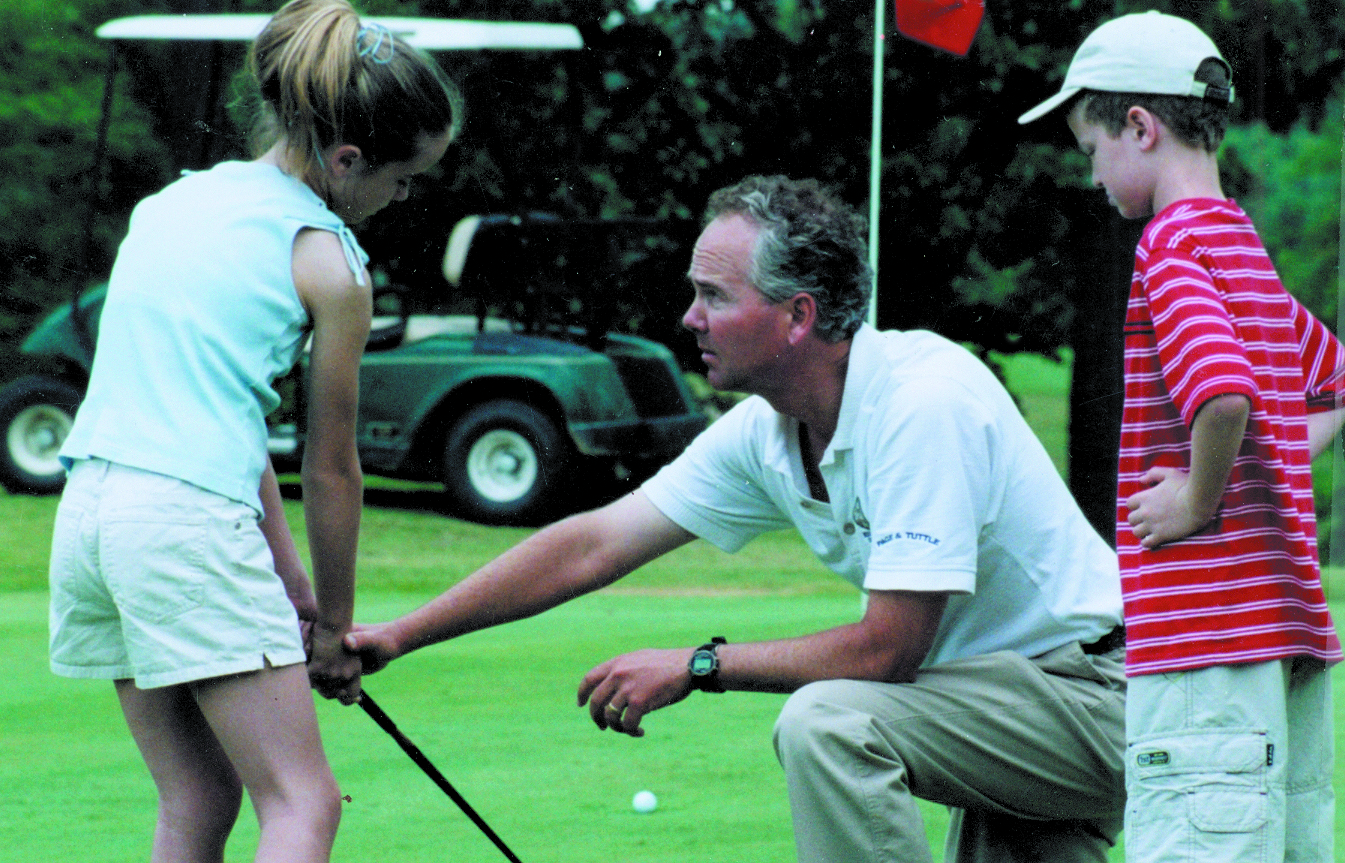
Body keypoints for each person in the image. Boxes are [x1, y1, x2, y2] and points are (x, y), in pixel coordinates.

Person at [347, 174, 1127, 862]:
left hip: (1094, 697)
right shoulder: (767, 428)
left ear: (797, 316)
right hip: (995, 706)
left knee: (828, 724)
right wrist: (399, 636)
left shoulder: (921, 405)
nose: (688, 317)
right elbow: (592, 544)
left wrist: (698, 664)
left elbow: (887, 650)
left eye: (714, 295)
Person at [47, 0, 460, 863]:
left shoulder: (171, 207)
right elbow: (333, 463)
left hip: (91, 519)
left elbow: (219, 420)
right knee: (303, 803)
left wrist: (295, 590)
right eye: (402, 178)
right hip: (184, 527)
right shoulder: (330, 261)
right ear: (347, 159)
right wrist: (336, 626)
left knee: (196, 796)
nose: (400, 196)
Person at [1018, 11, 1345, 863]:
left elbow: (1225, 396)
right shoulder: (1240, 246)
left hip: (1202, 649)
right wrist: (1266, 468)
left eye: (1091, 151)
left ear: (1139, 127)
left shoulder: (1168, 250)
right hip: (1281, 641)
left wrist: (1200, 500)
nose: (1093, 178)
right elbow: (1331, 382)